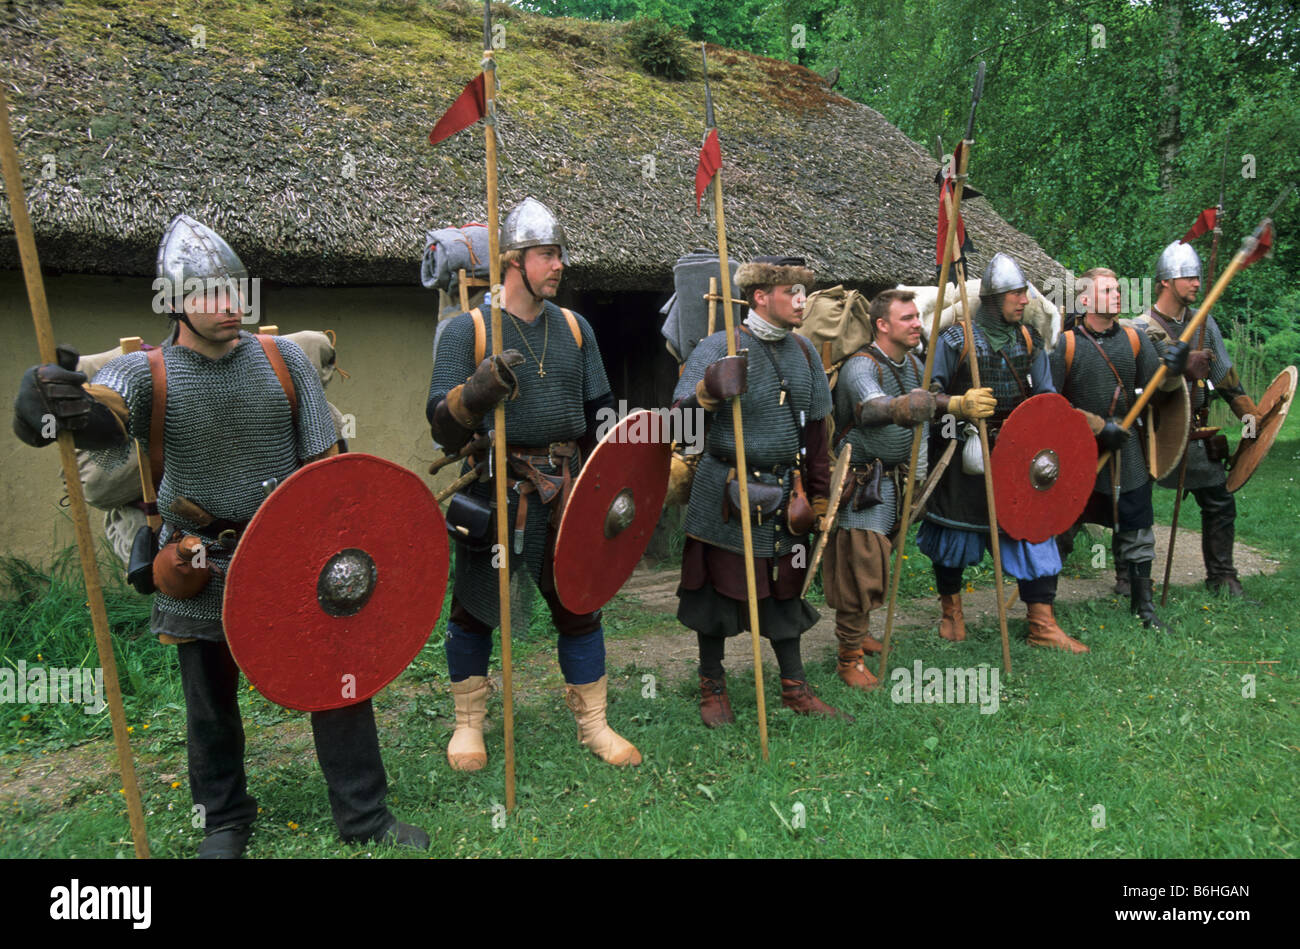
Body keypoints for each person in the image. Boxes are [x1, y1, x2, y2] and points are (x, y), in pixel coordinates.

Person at [12, 214, 427, 858]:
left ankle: (365, 814)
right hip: (200, 561)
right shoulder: (148, 373)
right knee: (209, 707)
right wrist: (56, 406)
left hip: (292, 554)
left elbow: (327, 470)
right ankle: (225, 820)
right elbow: (103, 415)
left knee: (339, 683)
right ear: (175, 302)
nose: (230, 306)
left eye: (236, 291)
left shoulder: (283, 359)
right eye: (210, 295)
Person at [426, 197, 637, 770]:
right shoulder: (465, 332)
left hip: (566, 490)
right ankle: (469, 727)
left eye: (561, 254)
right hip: (498, 491)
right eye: (548, 254)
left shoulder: (575, 329)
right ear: (514, 261)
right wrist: (473, 395)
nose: (560, 264)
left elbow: (600, 417)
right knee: (473, 609)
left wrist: (609, 484)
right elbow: (440, 429)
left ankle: (594, 725)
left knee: (580, 605)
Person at [673, 256, 849, 725]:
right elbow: (680, 423)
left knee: (785, 590)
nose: (800, 301)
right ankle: (713, 688)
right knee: (712, 593)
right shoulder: (717, 347)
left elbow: (816, 433)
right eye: (791, 292)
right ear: (759, 297)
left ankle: (794, 688)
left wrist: (818, 495)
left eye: (802, 292)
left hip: (785, 497)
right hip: (724, 491)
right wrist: (707, 393)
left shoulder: (807, 353)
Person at [917, 252, 1088, 653]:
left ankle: (1041, 623)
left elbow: (1046, 397)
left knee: (1033, 531)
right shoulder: (955, 341)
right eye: (1015, 294)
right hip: (965, 456)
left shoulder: (1028, 340)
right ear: (994, 298)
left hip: (1017, 459)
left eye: (1024, 293)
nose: (1024, 300)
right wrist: (958, 405)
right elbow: (930, 397)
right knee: (953, 535)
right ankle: (951, 613)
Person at [823, 289, 993, 689]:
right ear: (882, 325)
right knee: (858, 569)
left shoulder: (912, 363)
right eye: (908, 319)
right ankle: (848, 658)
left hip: (893, 484)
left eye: (918, 316)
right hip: (860, 485)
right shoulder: (861, 368)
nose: (918, 323)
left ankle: (860, 633)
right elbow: (874, 408)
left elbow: (928, 401)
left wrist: (957, 404)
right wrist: (946, 405)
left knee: (875, 563)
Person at [1051, 268, 1184, 629]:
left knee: (1138, 528)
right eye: (1107, 290)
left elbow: (1156, 393)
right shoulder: (1066, 345)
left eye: (1117, 288)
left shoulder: (1134, 340)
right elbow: (1051, 404)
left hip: (1126, 451)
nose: (1117, 294)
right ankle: (1042, 612)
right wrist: (1095, 426)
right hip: (1080, 452)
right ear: (1084, 300)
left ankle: (1144, 607)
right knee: (1060, 529)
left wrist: (1173, 370)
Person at [1128, 240, 1258, 596]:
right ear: (1166, 281)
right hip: (1154, 430)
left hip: (1197, 431)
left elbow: (1225, 377)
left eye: (1199, 277)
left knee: (1219, 502)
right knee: (1135, 504)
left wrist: (1249, 415)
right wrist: (1181, 370)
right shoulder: (1140, 328)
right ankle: (1131, 580)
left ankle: (1223, 576)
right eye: (1188, 277)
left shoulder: (1205, 323)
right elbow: (1140, 386)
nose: (1197, 284)